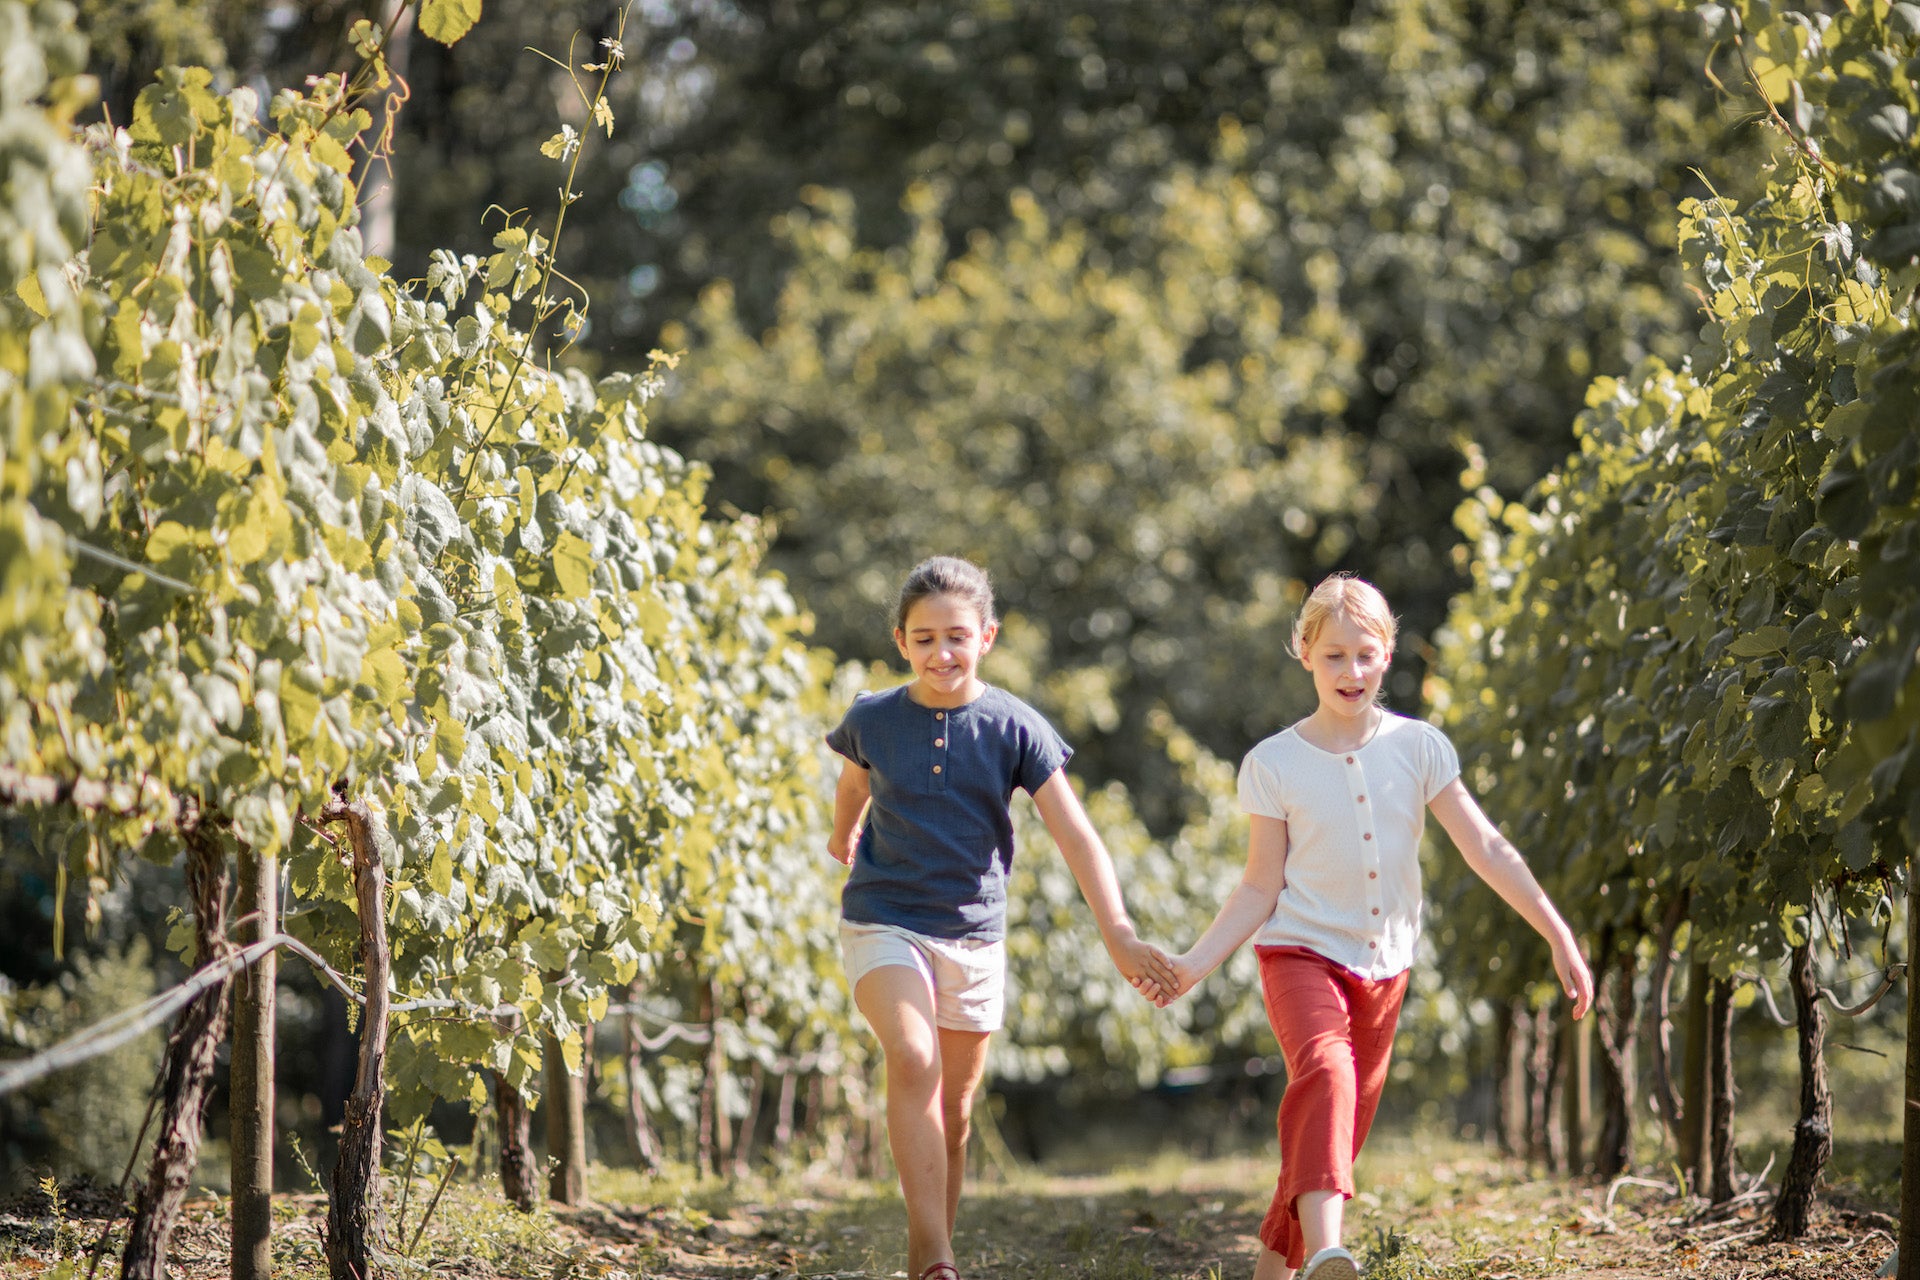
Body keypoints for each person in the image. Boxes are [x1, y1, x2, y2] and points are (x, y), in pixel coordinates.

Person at [1165, 574, 1594, 1280]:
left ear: (1388, 655)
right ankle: (1331, 1254)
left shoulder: (1419, 748)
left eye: (1365, 654)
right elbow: (1257, 886)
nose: (1350, 671)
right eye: (1333, 655)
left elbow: (1486, 847)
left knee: (1332, 1133)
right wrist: (1192, 963)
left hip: (1383, 969)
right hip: (1298, 954)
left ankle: (1276, 1272)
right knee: (1327, 1075)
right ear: (1304, 653)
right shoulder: (1273, 763)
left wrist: (1556, 931)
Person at [825, 555, 1176, 1280]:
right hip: (883, 917)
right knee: (913, 1057)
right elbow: (853, 780)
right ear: (901, 642)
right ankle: (937, 1262)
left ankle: (930, 1250)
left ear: (987, 635)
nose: (941, 653)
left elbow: (1077, 834)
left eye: (956, 636)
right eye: (923, 639)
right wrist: (842, 833)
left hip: (974, 935)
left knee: (953, 1112)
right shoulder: (872, 717)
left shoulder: (1016, 727)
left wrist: (1118, 931)